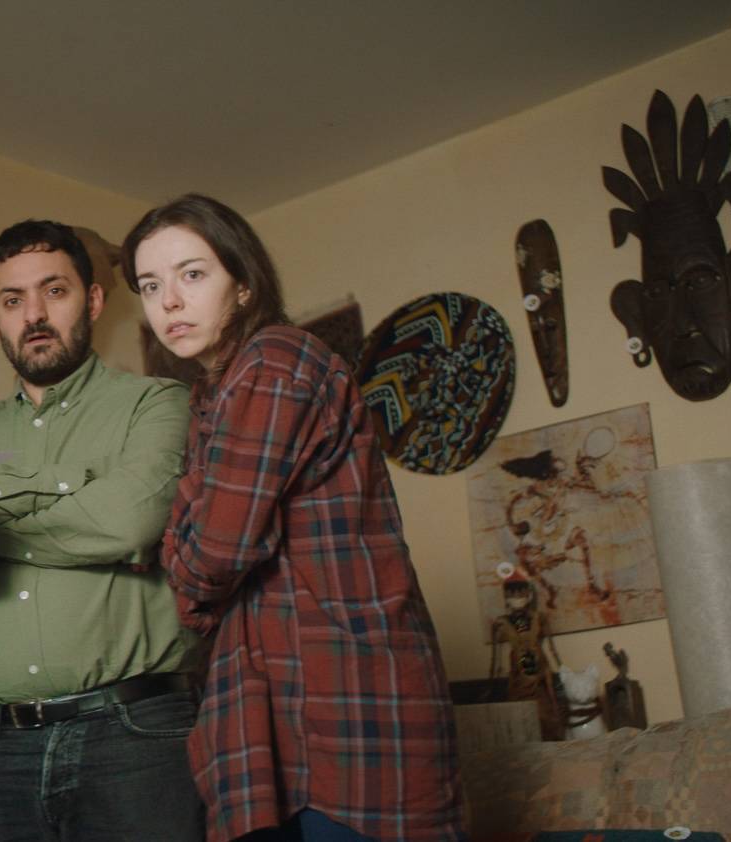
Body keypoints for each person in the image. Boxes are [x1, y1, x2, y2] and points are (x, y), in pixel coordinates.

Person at [126, 194, 463, 841]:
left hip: (346, 702)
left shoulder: (273, 361)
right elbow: (204, 545)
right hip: (278, 704)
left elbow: (212, 553)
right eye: (150, 285)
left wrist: (187, 569)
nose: (168, 301)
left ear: (244, 283)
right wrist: (191, 554)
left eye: (191, 274)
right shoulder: (215, 393)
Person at [0, 219, 207, 841]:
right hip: (0, 749)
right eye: (12, 300)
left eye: (54, 291)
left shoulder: (157, 403)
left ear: (94, 300)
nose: (33, 314)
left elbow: (130, 521)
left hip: (135, 737)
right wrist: (73, 506)